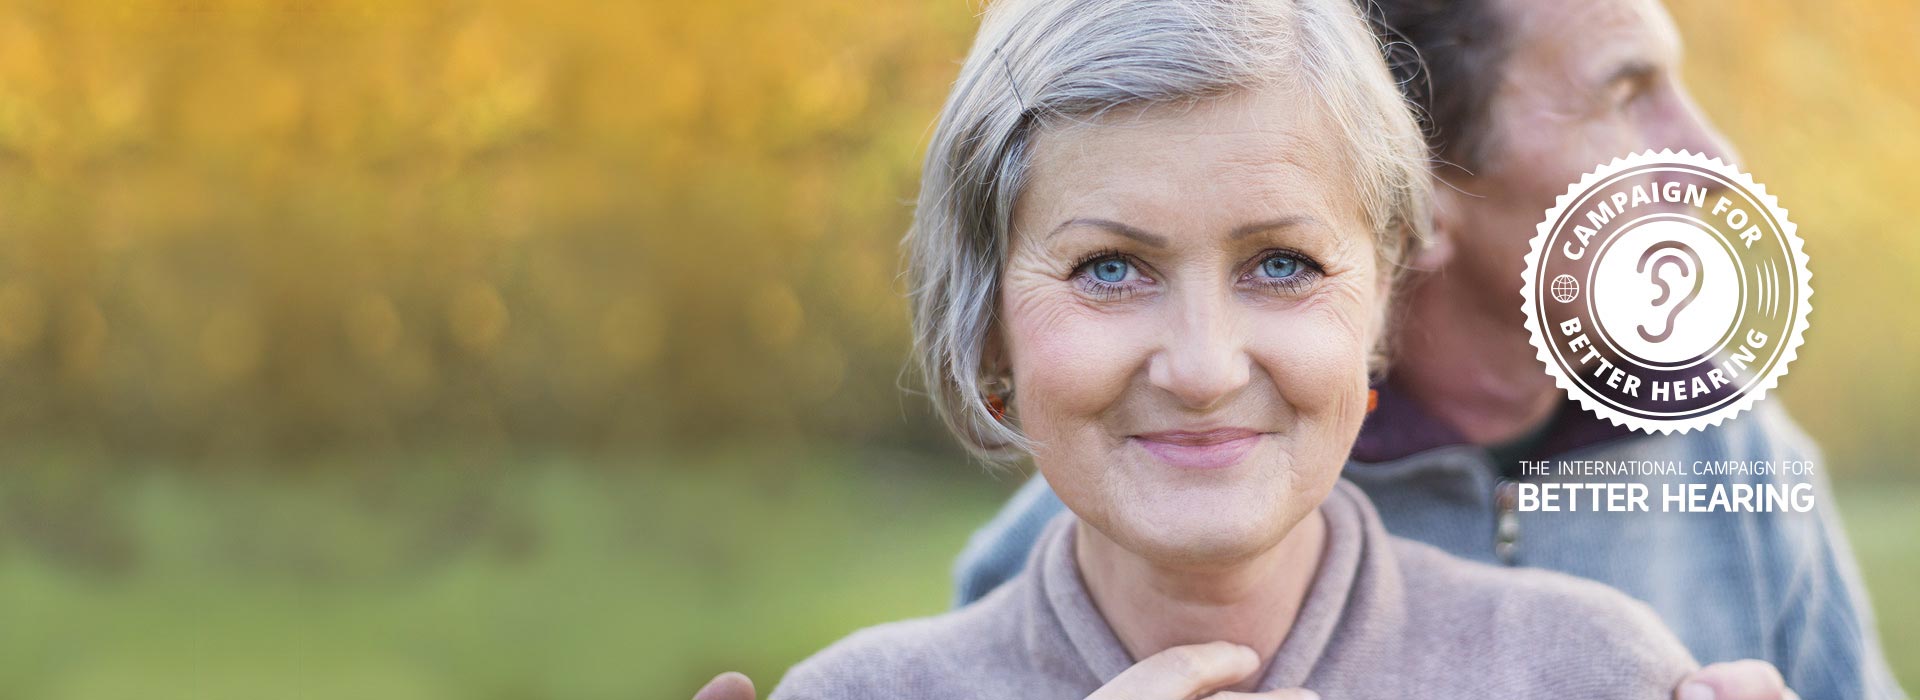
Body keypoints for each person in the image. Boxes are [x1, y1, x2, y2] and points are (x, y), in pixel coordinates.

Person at [941, 0, 1908, 699]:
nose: (1715, 156)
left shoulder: (1731, 451)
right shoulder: (1150, 495)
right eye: (1626, 92)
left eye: (1277, 264)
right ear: (1424, 189)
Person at [757, 0, 1703, 697]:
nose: (1204, 370)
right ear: (989, 320)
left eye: (1283, 264)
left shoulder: (1594, 673)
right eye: (1111, 269)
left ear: (1379, 302)